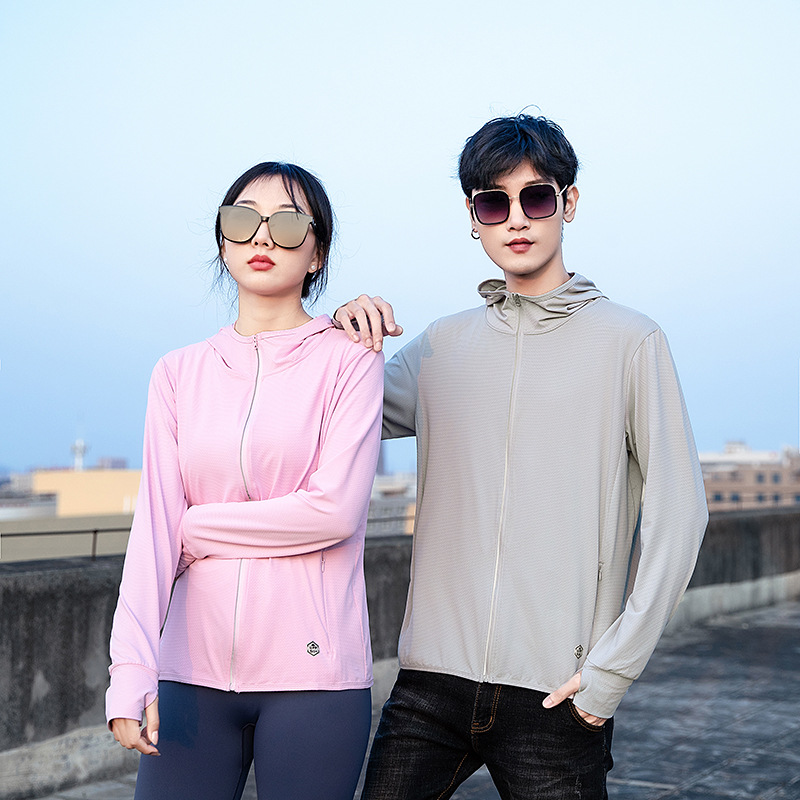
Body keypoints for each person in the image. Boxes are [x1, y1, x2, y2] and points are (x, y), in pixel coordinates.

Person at [335, 114, 708, 800]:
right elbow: (331, 415)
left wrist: (610, 673)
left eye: (536, 197)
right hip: (430, 684)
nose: (516, 219)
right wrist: (339, 336)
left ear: (569, 202)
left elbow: (680, 513)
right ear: (472, 216)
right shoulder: (441, 347)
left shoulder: (631, 341)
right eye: (493, 202)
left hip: (556, 694)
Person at [106, 162, 384, 800]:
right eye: (242, 220)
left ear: (317, 253)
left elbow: (333, 512)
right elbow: (152, 534)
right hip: (189, 674)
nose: (262, 237)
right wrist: (131, 669)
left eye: (288, 224)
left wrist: (196, 526)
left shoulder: (350, 359)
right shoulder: (177, 373)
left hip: (315, 678)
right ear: (223, 239)